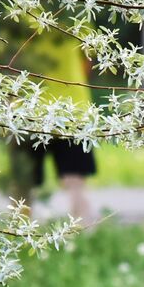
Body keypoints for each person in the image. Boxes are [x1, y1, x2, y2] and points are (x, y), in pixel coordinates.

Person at [11, 32, 97, 226]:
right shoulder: (77, 14)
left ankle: (17, 237)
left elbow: (9, 60)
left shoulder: (20, 14)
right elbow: (89, 60)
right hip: (72, 109)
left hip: (29, 109)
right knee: (75, 182)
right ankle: (84, 238)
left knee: (24, 184)